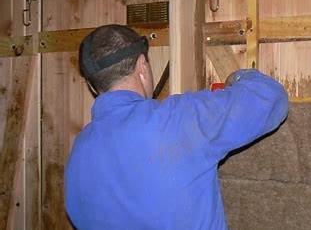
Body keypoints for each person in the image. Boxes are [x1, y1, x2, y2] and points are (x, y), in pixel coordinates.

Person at [65, 24, 289, 230]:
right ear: (142, 66)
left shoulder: (78, 152)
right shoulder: (177, 120)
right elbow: (272, 98)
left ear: (92, 87)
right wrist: (237, 78)